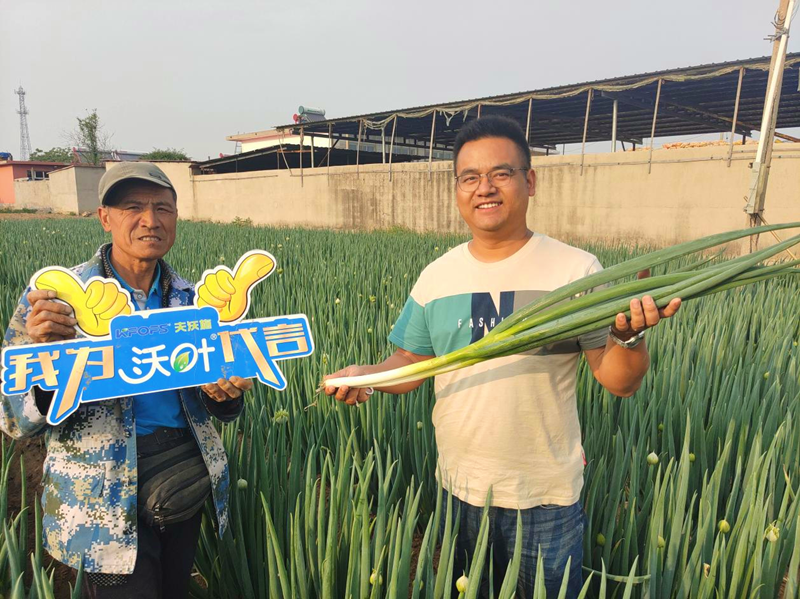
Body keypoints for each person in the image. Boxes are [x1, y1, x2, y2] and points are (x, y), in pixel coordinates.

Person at [325, 116, 681, 598]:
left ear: (529, 181)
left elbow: (619, 381)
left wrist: (629, 338)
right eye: (469, 177)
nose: (484, 188)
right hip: (458, 491)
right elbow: (406, 364)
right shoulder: (437, 276)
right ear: (457, 189)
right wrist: (364, 376)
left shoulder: (575, 271)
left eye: (501, 173)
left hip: (545, 497)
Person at [0, 162, 252, 598]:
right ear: (105, 217)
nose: (150, 220)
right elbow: (11, 416)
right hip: (98, 499)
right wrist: (47, 365)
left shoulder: (194, 302)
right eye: (133, 207)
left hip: (179, 482)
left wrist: (226, 397)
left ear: (176, 218)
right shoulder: (56, 302)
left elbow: (219, 404)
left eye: (162, 208)